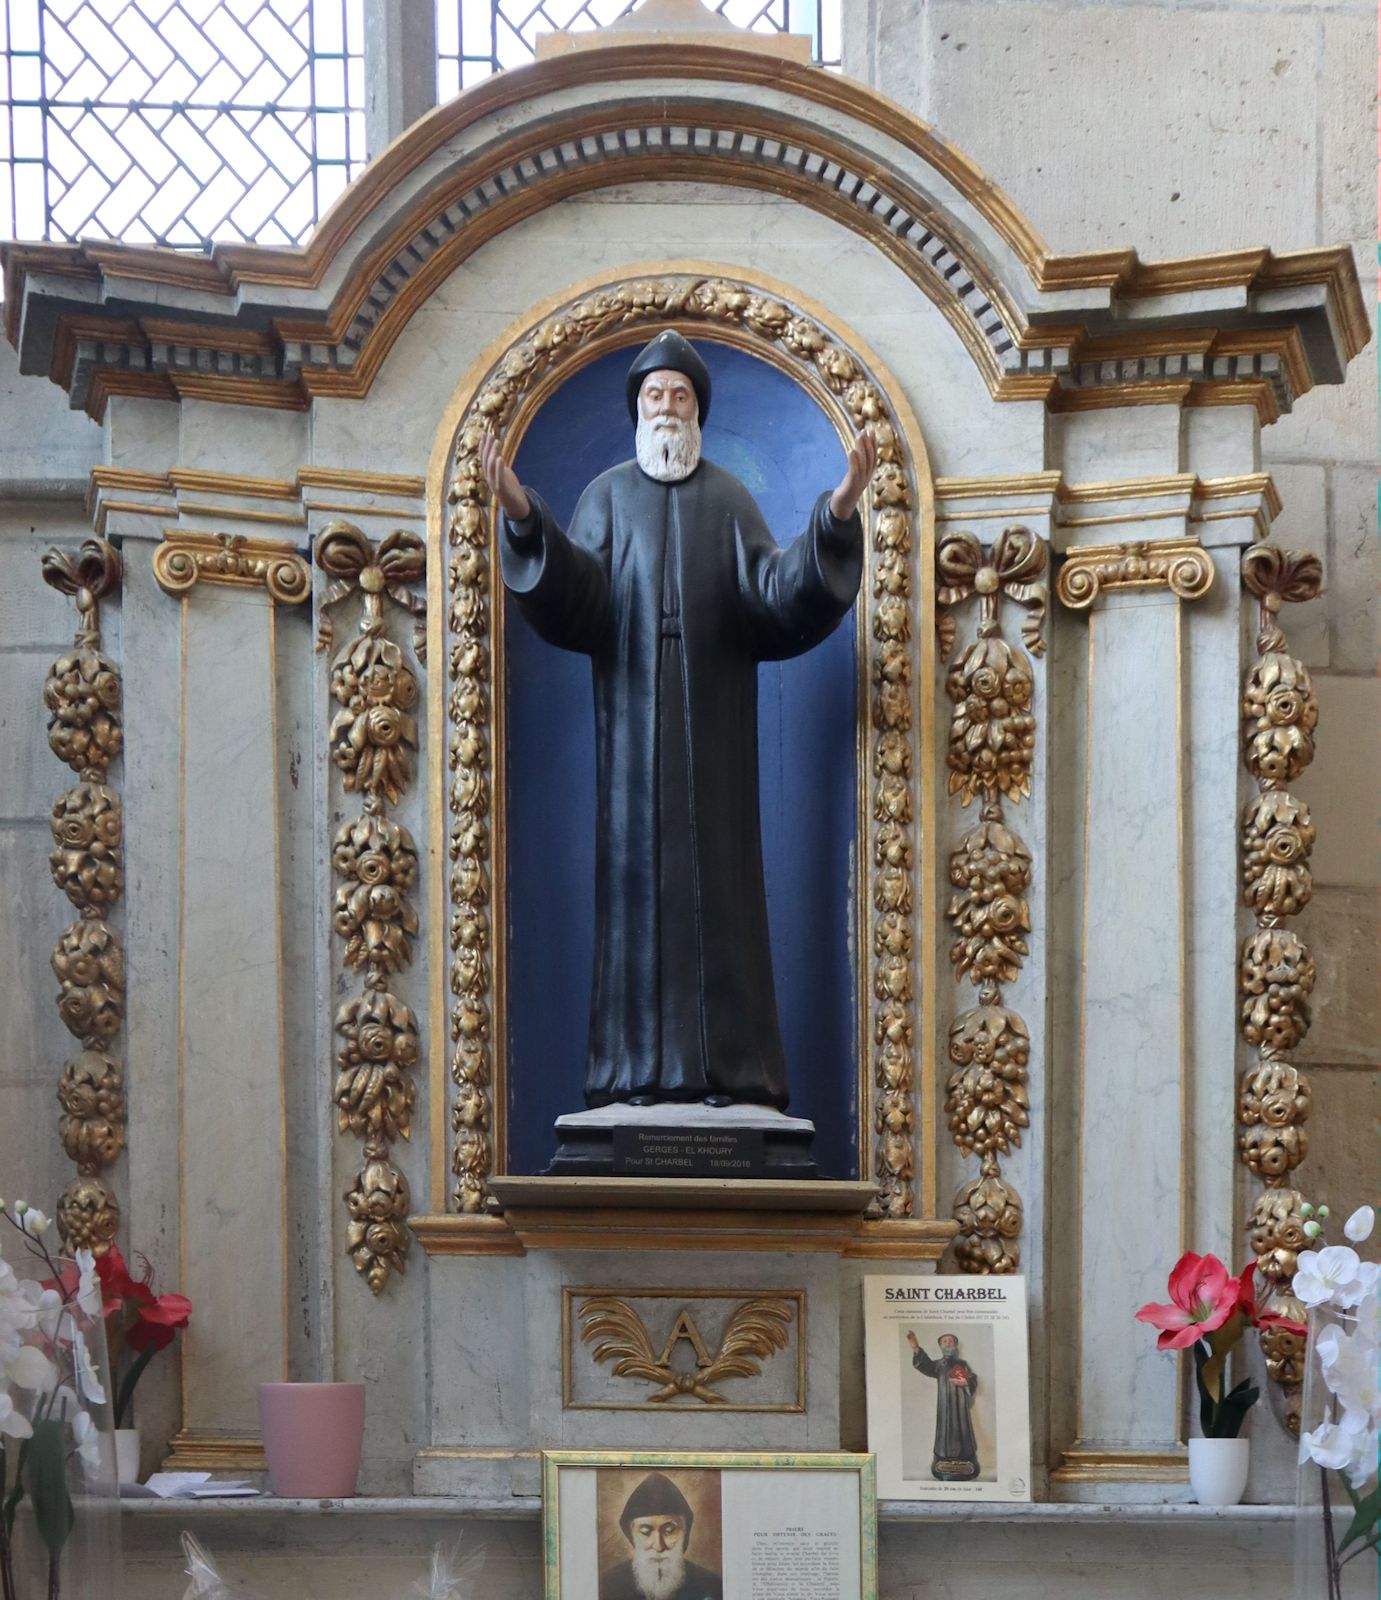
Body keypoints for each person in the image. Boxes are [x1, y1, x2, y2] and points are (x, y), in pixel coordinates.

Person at [481, 329, 875, 1111]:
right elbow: (578, 600)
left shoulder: (728, 498)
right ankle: (629, 1075)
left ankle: (732, 1075)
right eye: (656, 396)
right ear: (638, 410)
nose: (667, 408)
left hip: (716, 748)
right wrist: (524, 513)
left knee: (721, 900)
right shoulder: (606, 497)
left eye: (680, 397)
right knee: (634, 902)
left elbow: (773, 594)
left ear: (698, 412)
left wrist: (836, 512)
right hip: (628, 745)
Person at [599, 1471, 722, 1600]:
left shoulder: (711, 1585)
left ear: (686, 1532)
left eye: (669, 1531)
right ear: (631, 1534)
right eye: (646, 1532)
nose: (658, 1546)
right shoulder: (608, 1585)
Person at [906, 1329, 980, 1480]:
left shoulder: (962, 1364)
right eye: (945, 1341)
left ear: (955, 1345)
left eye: (951, 1341)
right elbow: (925, 1365)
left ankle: (965, 1459)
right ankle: (944, 1460)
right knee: (944, 1431)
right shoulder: (938, 1365)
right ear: (940, 1346)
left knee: (963, 1430)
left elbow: (972, 1379)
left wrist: (965, 1382)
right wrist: (915, 1348)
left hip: (960, 1407)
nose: (948, 1344)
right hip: (945, 1406)